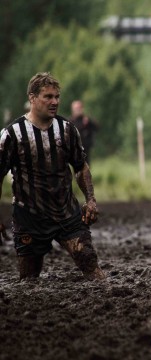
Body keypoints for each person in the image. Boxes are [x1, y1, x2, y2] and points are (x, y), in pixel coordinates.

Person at [0, 72, 105, 280]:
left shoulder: (67, 130)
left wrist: (91, 200)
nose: (54, 101)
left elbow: (81, 167)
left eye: (57, 97)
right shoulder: (12, 134)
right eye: (48, 97)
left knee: (91, 266)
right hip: (29, 217)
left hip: (66, 212)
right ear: (32, 98)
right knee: (29, 280)